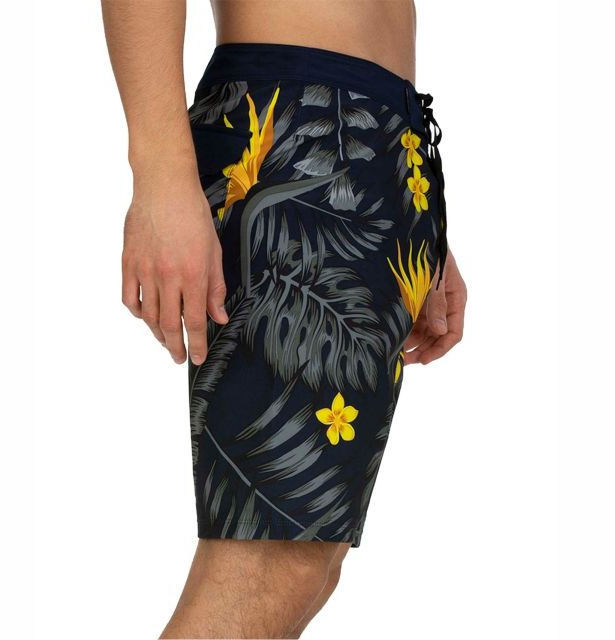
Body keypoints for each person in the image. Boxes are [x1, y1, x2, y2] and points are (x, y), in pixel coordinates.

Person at [101, 1, 467, 637]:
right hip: (292, 129)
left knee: (309, 560)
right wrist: (160, 178)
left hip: (378, 141)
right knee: (270, 561)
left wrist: (420, 221)